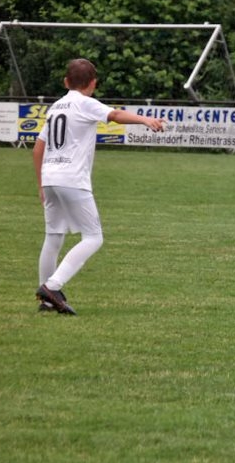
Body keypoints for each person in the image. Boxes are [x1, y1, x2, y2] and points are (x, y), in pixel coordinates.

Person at [33, 58, 166, 315]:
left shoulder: (55, 107)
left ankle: (46, 301)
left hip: (50, 177)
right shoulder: (85, 102)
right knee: (94, 237)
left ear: (65, 81)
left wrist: (41, 185)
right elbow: (114, 115)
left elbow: (38, 148)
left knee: (53, 236)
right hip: (72, 179)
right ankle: (52, 287)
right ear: (93, 83)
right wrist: (145, 119)